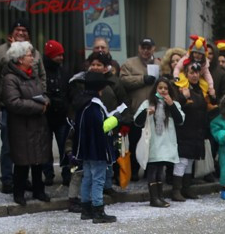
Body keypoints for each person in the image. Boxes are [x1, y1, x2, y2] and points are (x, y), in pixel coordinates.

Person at [0, 20, 44, 194]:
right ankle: (8, 179)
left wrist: (42, 100)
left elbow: (41, 77)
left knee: (31, 147)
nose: (21, 32)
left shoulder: (35, 53)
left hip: (34, 108)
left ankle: (24, 180)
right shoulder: (1, 52)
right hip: (9, 107)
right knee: (9, 146)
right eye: (18, 29)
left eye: (24, 30)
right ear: (10, 34)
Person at [1, 40, 51, 206]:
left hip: (37, 125)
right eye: (30, 55)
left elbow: (41, 92)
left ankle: (39, 190)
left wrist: (45, 101)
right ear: (20, 58)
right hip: (21, 126)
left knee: (38, 160)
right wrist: (38, 107)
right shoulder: (10, 78)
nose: (33, 58)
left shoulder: (33, 74)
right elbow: (13, 102)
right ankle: (19, 192)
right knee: (22, 162)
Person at [74, 70, 118, 223]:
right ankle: (98, 210)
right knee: (98, 179)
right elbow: (101, 127)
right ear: (99, 88)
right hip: (97, 148)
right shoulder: (94, 105)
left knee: (87, 178)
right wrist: (115, 119)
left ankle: (86, 209)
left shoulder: (82, 102)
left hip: (86, 147)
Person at [134, 76, 184, 207]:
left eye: (165, 88)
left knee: (160, 169)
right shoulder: (148, 103)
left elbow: (180, 120)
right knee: (152, 170)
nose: (163, 90)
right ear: (155, 89)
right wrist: (146, 112)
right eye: (160, 87)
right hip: (152, 143)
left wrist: (171, 105)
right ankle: (154, 198)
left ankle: (160, 196)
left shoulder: (174, 104)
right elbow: (137, 122)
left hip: (166, 143)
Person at [120, 38, 158, 184]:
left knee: (152, 143)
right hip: (136, 111)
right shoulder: (129, 63)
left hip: (154, 112)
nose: (146, 51)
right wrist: (142, 79)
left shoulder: (158, 64)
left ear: (153, 49)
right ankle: (134, 171)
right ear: (139, 48)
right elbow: (123, 81)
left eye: (149, 48)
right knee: (135, 142)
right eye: (143, 47)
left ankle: (149, 171)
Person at [170, 63, 210, 202]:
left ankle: (186, 188)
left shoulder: (201, 89)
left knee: (191, 161)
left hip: (197, 131)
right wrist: (183, 97)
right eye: (191, 72)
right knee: (182, 161)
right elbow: (175, 106)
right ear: (186, 74)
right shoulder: (180, 88)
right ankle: (176, 190)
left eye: (197, 73)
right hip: (184, 130)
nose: (194, 75)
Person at [42, 39, 72, 188]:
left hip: (62, 116)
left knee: (64, 146)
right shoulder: (42, 71)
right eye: (58, 55)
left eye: (62, 55)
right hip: (45, 116)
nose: (61, 58)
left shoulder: (64, 70)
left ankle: (67, 173)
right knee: (45, 147)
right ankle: (48, 174)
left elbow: (69, 90)